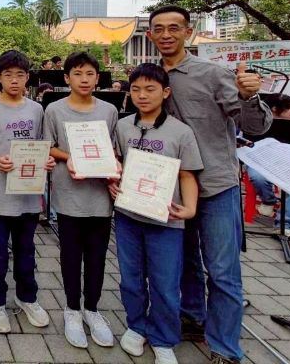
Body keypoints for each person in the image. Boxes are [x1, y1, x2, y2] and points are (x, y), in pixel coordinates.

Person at [146, 5, 271, 364]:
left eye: (174, 28)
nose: (166, 34)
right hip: (167, 185)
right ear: (151, 35)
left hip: (215, 186)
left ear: (189, 31)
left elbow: (256, 127)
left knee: (222, 270)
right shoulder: (150, 78)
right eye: (159, 29)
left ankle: (225, 347)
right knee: (181, 262)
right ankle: (192, 317)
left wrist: (250, 97)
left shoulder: (213, 74)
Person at [109, 63, 203, 364]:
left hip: (166, 220)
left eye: (150, 89)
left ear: (165, 92)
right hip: (128, 217)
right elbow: (117, 162)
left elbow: (187, 175)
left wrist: (189, 208)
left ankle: (164, 338)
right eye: (135, 89)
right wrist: (114, 180)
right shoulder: (123, 126)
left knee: (165, 282)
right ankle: (137, 326)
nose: (142, 95)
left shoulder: (181, 132)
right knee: (131, 278)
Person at [44, 51, 119, 350]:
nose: (84, 79)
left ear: (97, 78)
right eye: (77, 73)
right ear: (67, 78)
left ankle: (93, 309)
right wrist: (69, 156)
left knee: (98, 256)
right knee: (71, 255)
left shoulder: (109, 111)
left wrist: (114, 167)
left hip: (100, 195)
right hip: (68, 194)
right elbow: (49, 147)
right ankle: (72, 309)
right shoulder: (55, 110)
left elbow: (114, 149)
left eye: (89, 74)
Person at [0, 50, 54, 333]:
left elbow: (44, 144)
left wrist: (46, 160)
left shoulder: (36, 110)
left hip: (29, 195)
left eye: (19, 75)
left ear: (27, 78)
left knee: (26, 251)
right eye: (7, 75)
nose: (14, 80)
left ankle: (27, 298)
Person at [245, 94, 290, 240]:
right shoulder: (258, 124)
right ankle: (269, 200)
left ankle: (284, 226)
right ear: (275, 109)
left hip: (289, 164)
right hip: (261, 161)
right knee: (257, 177)